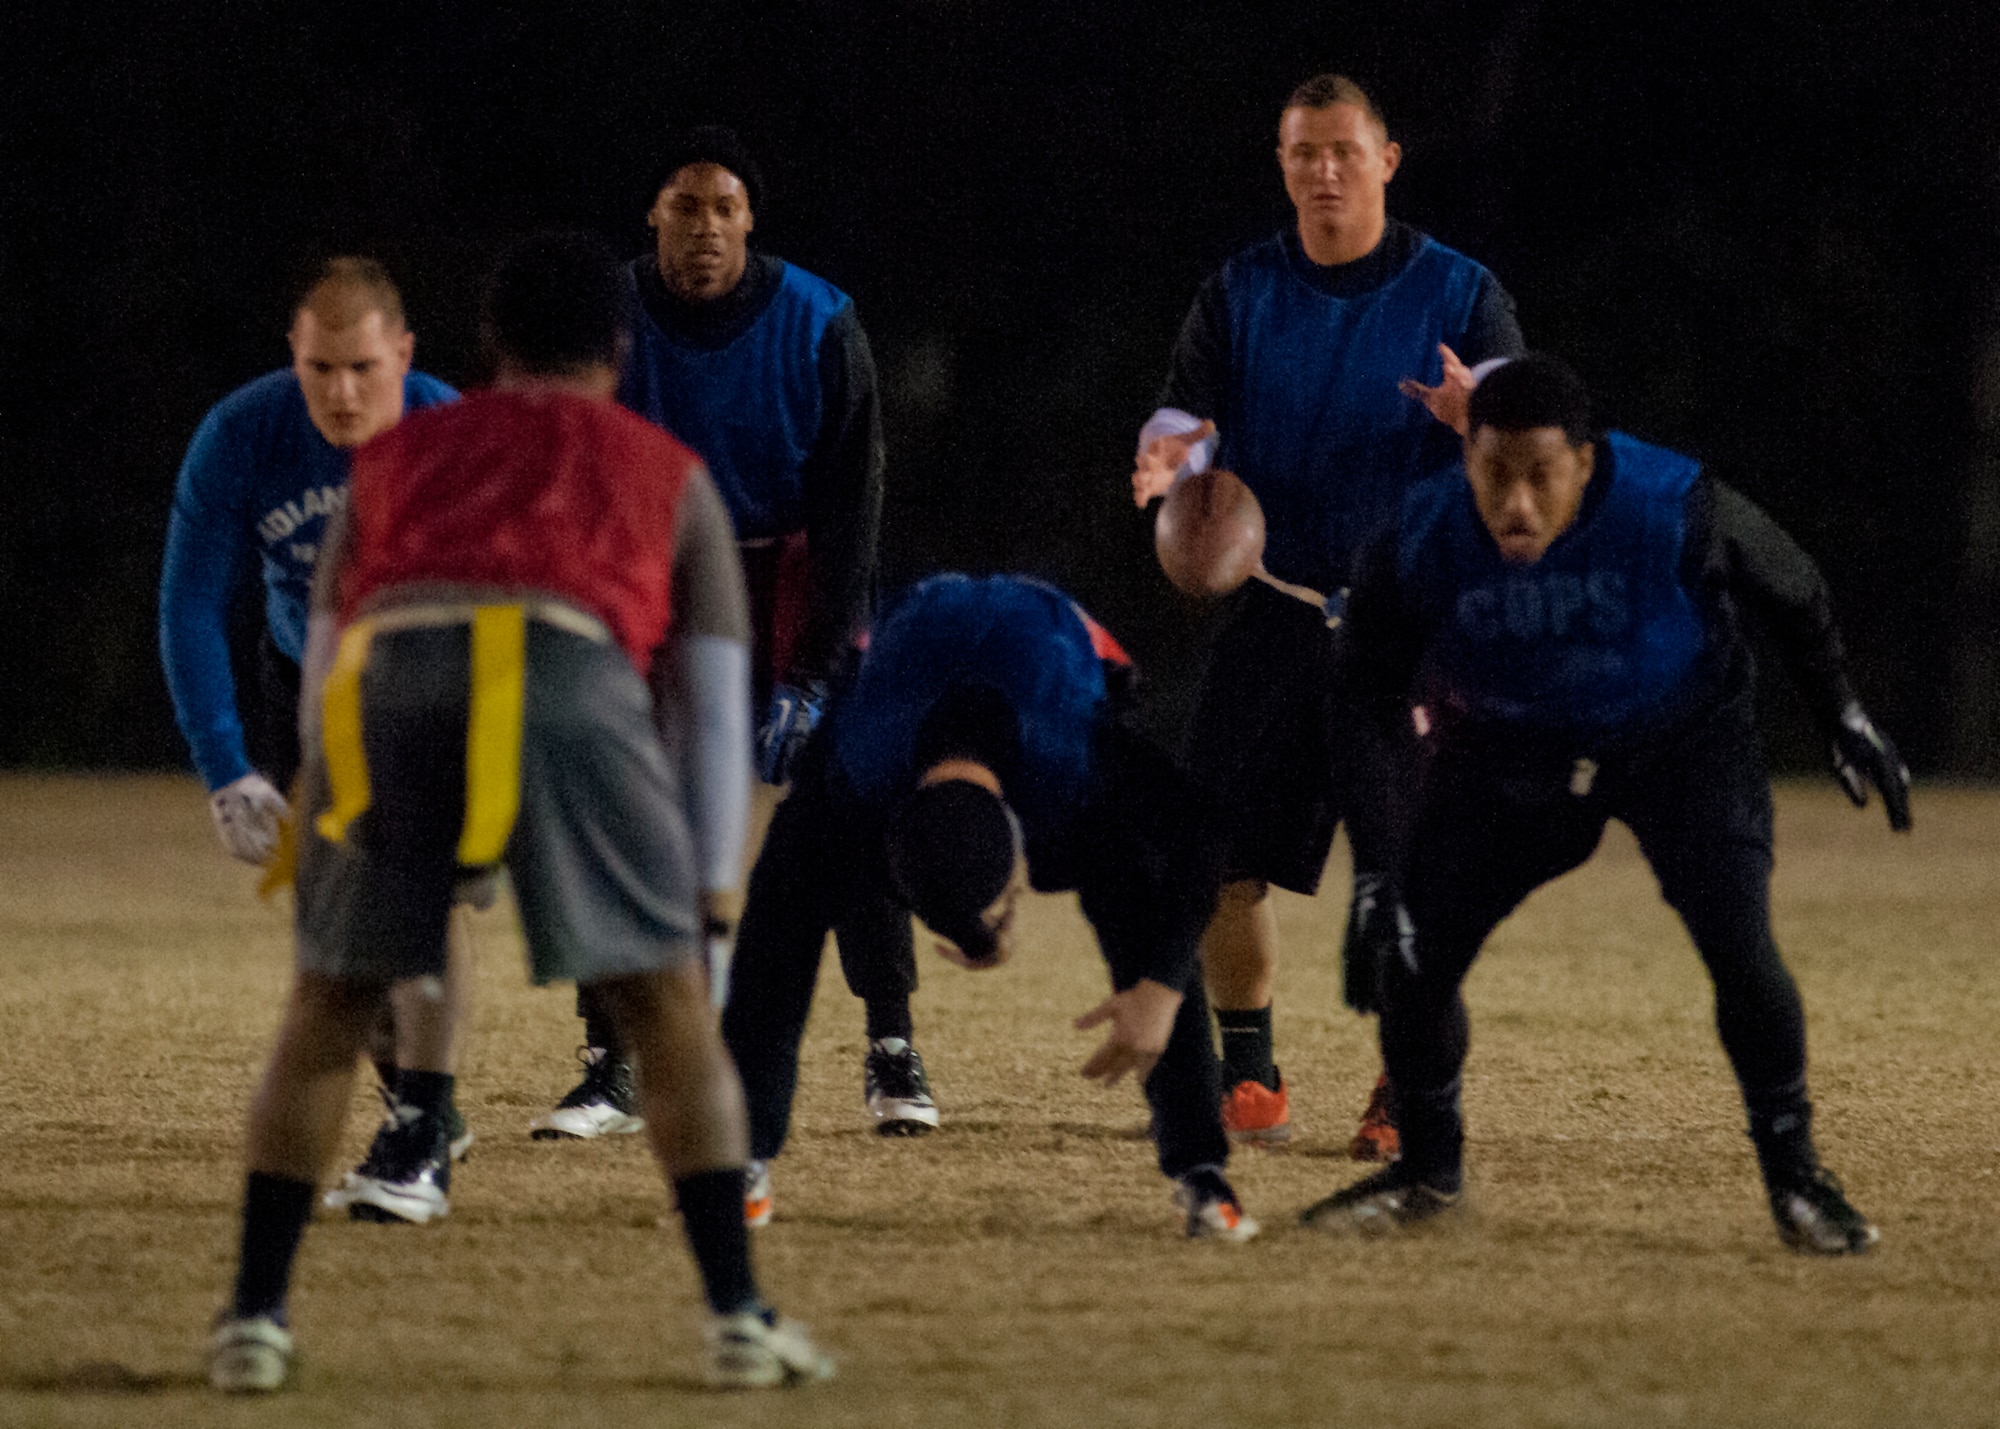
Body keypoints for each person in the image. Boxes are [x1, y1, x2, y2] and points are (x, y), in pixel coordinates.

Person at [207, 232, 834, 1393]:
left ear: (487, 347)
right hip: (563, 667)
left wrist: (329, 794)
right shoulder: (663, 466)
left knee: (328, 1006)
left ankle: (253, 1316)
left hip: (384, 684)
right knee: (666, 1007)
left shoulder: (401, 453)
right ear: (617, 344)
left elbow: (331, 643)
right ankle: (738, 1316)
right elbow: (705, 698)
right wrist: (705, 898)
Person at [1299, 354, 1907, 1253]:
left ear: (1586, 461)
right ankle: (1427, 1172)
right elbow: (1362, 697)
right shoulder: (1417, 537)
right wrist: (1378, 868)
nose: (1516, 503)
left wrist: (1842, 711)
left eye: (1541, 475)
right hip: (1505, 754)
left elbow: (1789, 582)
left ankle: (1797, 1177)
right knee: (1412, 960)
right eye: (1494, 473)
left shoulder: (1667, 501)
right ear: (1464, 458)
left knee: (1740, 948)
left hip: (1679, 741)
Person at [1132, 74, 1525, 1154]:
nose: (1322, 172)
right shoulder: (1241, 288)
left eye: (1343, 151)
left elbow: (1522, 425)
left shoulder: (1457, 288)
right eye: (1302, 152)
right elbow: (1187, 412)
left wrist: (1472, 416)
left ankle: (1407, 1086)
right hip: (1276, 611)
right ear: (1281, 161)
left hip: (1409, 630)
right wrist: (1171, 452)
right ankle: (1247, 1070)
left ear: (1387, 160)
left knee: (1407, 876)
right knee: (1208, 850)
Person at [532, 126, 926, 1140]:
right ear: (652, 216)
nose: (704, 226)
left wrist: (817, 663)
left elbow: (853, 503)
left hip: (789, 568)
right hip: (654, 571)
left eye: (723, 207)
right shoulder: (606, 318)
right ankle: (610, 1061)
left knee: (850, 797)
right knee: (619, 808)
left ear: (750, 219)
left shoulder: (817, 319)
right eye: (685, 205)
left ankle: (891, 1047)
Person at [720, 573, 1258, 1242]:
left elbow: (1203, 831)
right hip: (909, 644)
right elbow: (787, 920)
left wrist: (1160, 985)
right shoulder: (856, 762)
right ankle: (736, 1162)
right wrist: (973, 931)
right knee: (786, 898)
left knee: (1133, 891)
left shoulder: (1072, 749)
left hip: (1053, 641)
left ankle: (1203, 1172)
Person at [158, 258, 479, 1221]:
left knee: (414, 889)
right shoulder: (242, 434)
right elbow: (189, 607)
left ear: (405, 355)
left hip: (435, 673)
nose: (342, 393)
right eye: (321, 369)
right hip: (308, 680)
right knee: (338, 930)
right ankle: (427, 1100)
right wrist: (225, 769)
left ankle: (423, 1122)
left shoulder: (448, 433)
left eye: (364, 368)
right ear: (292, 357)